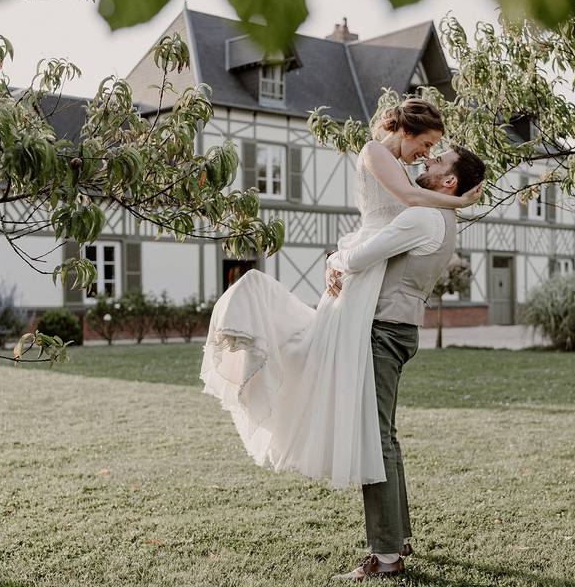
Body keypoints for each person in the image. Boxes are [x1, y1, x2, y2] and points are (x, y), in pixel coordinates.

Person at [199, 98, 480, 489]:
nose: (426, 154)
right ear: (405, 130)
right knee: (312, 353)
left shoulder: (402, 169)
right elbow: (409, 202)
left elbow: (401, 221)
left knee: (338, 375)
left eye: (433, 150)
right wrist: (458, 201)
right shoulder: (375, 152)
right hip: (363, 266)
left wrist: (340, 261)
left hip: (369, 271)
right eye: (427, 143)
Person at [329, 145, 486, 581]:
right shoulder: (444, 217)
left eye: (437, 162)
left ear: (449, 181)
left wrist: (333, 259)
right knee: (387, 438)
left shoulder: (422, 216)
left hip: (382, 331)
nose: (426, 162)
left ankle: (384, 555)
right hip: (401, 329)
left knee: (375, 441)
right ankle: (398, 539)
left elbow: (361, 257)